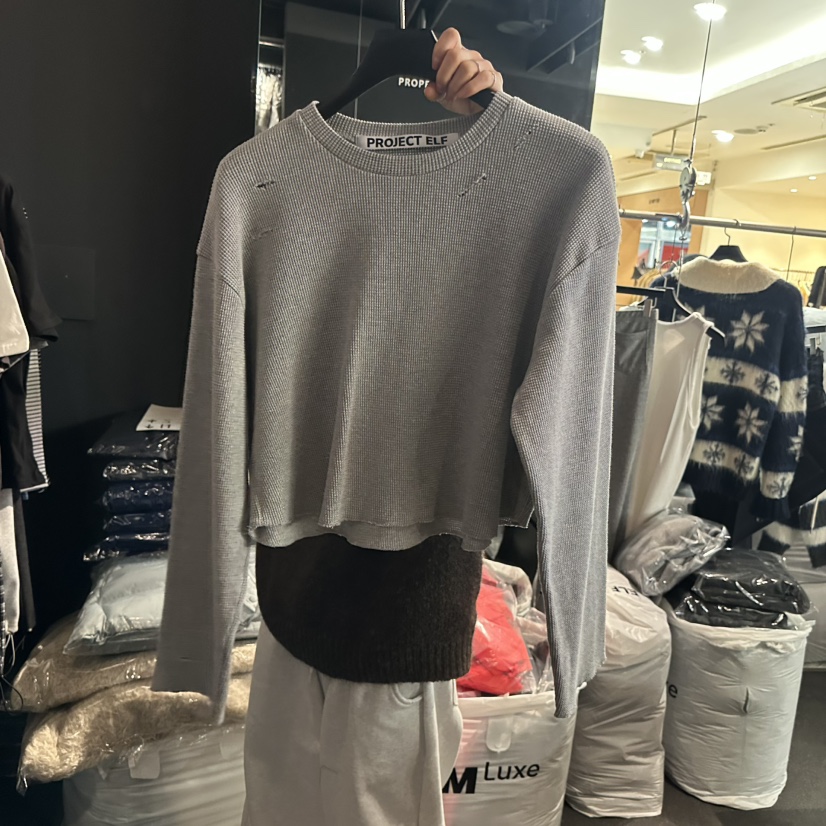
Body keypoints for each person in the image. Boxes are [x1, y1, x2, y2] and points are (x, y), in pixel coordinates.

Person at [240, 29, 505, 826]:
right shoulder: (262, 181)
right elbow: (224, 396)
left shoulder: (519, 189)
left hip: (404, 620)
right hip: (292, 604)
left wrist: (495, 120)